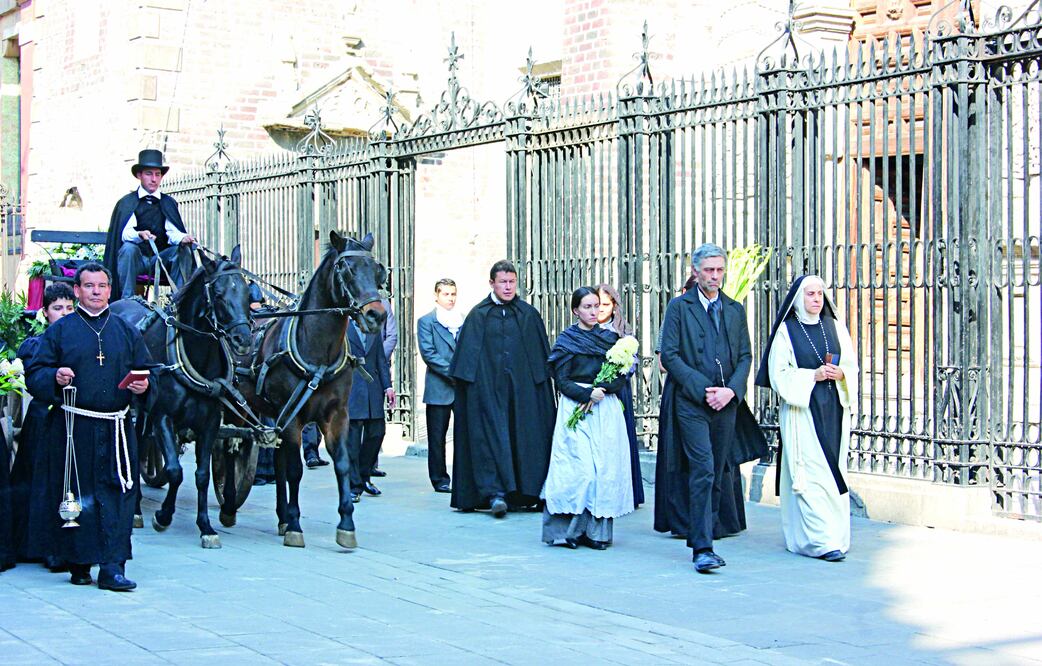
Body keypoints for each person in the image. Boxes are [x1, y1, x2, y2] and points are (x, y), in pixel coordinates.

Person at [25, 263, 151, 591]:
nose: (96, 291)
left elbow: (151, 372)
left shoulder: (126, 331)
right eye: (89, 286)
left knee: (118, 494)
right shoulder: (61, 330)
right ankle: (79, 562)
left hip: (116, 429)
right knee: (77, 494)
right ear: (78, 290)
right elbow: (36, 372)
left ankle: (113, 567)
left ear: (110, 290)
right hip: (73, 426)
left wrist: (145, 387)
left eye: (102, 286)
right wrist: (53, 376)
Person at [655, 243, 766, 574]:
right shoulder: (679, 307)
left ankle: (710, 531)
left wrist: (731, 391)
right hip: (692, 403)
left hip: (725, 405)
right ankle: (701, 548)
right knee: (702, 467)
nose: (715, 276)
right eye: (709, 270)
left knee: (717, 470)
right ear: (696, 271)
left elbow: (745, 355)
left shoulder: (734, 309)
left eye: (719, 270)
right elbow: (670, 355)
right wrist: (702, 389)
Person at [755, 275, 858, 562]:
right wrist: (811, 375)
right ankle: (819, 541)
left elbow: (851, 367)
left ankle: (834, 536)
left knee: (832, 471)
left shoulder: (835, 327)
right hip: (803, 412)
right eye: (810, 294)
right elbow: (779, 375)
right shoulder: (787, 332)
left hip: (833, 410)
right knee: (809, 474)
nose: (816, 299)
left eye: (820, 294)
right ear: (799, 298)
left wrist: (842, 375)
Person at [449, 260, 555, 517]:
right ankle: (494, 493)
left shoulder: (528, 314)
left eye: (512, 282)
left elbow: (541, 360)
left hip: (522, 394)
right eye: (503, 282)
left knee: (525, 436)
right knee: (490, 438)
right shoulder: (477, 315)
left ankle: (527, 491)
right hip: (488, 393)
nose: (508, 287)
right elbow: (465, 365)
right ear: (492, 283)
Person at [542, 287, 634, 549]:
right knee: (578, 472)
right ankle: (567, 531)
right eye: (587, 307)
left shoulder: (610, 340)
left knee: (603, 472)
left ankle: (597, 533)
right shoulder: (567, 340)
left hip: (604, 409)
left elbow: (621, 375)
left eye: (597, 306)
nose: (593, 312)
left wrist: (604, 388)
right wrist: (586, 394)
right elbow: (561, 380)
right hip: (576, 409)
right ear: (575, 311)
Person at [11, 283, 75, 570]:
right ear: (45, 312)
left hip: (72, 417)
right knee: (40, 480)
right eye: (57, 308)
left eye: (69, 308)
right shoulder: (37, 344)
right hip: (43, 416)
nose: (63, 314)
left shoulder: (80, 340)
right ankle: (37, 543)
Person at [103, 149, 196, 301]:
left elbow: (172, 232)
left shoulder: (168, 203)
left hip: (159, 261)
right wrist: (139, 235)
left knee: (181, 251)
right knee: (128, 248)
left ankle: (179, 301)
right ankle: (127, 300)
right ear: (139, 175)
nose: (154, 179)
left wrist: (183, 238)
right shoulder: (127, 203)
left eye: (157, 174)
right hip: (136, 261)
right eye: (148, 174)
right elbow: (125, 233)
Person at [596, 283, 644, 508]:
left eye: (606, 304)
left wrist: (617, 373)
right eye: (597, 304)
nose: (601, 309)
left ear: (614, 306)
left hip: (617, 391)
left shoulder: (623, 331)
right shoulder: (584, 328)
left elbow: (632, 362)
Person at [417, 279, 462, 493]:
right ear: (436, 296)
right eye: (446, 294)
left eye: (453, 294)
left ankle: (463, 476)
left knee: (464, 435)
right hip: (438, 387)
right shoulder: (427, 321)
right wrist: (454, 374)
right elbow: (429, 354)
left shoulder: (463, 320)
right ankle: (439, 478)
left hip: (461, 389)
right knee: (437, 437)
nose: (450, 298)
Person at [346, 319, 394, 502]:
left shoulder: (374, 328)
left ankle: (364, 475)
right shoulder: (344, 327)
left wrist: (388, 387)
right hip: (351, 388)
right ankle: (354, 485)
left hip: (373, 388)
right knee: (352, 441)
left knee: (377, 433)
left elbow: (381, 360)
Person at [368, 296, 397, 479]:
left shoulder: (384, 304)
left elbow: (392, 335)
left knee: (376, 424)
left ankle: (371, 464)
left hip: (378, 369)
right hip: (353, 369)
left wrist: (376, 358)